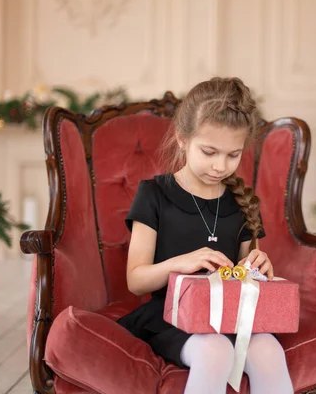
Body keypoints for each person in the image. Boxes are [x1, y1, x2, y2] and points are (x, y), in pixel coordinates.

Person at [117, 77, 294, 394]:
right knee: (215, 351)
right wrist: (182, 263)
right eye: (209, 152)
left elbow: (246, 283)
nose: (220, 166)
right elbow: (136, 279)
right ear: (182, 139)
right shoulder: (154, 194)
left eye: (232, 155)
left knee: (268, 350)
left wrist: (258, 266)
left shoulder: (242, 203)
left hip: (230, 316)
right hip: (171, 316)